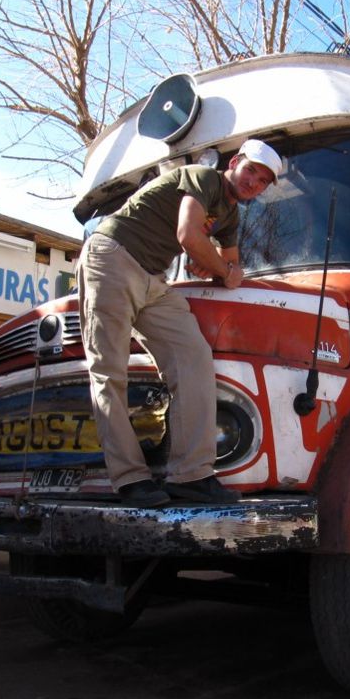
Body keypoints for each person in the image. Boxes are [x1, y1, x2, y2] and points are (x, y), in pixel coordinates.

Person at [76, 139, 282, 506]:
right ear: (234, 162)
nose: (254, 182)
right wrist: (216, 264)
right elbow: (189, 236)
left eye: (263, 180)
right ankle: (130, 479)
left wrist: (215, 264)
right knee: (109, 372)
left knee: (194, 357)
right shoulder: (204, 177)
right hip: (113, 258)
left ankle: (191, 474)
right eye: (251, 170)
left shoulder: (231, 216)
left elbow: (232, 269)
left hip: (153, 279)